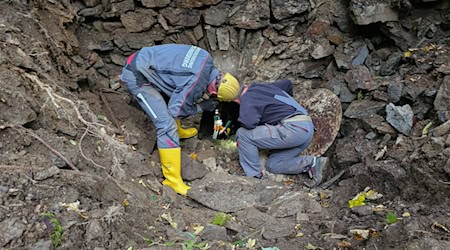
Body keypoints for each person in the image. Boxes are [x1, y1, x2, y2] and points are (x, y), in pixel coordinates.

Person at [120, 44, 240, 195]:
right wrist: (202, 107)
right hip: (137, 75)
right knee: (166, 125)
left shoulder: (206, 58)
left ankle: (179, 132)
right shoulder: (196, 83)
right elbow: (176, 111)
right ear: (215, 93)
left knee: (178, 93)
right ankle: (172, 180)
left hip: (147, 59)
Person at [226, 79, 329, 187]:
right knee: (274, 165)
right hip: (306, 128)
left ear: (236, 100)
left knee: (243, 134)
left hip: (293, 128)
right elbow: (287, 83)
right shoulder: (260, 87)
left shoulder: (247, 97)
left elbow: (248, 124)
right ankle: (312, 163)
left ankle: (253, 177)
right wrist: (280, 109)